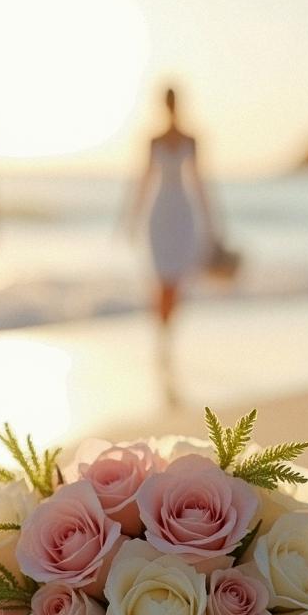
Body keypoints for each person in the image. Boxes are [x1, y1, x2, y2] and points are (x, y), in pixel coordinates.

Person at [126, 86, 215, 395]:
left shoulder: (192, 139)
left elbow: (201, 182)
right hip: (160, 214)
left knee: (178, 280)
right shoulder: (153, 140)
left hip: (183, 214)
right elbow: (143, 179)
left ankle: (168, 334)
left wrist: (212, 224)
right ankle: (163, 338)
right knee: (161, 279)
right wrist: (131, 218)